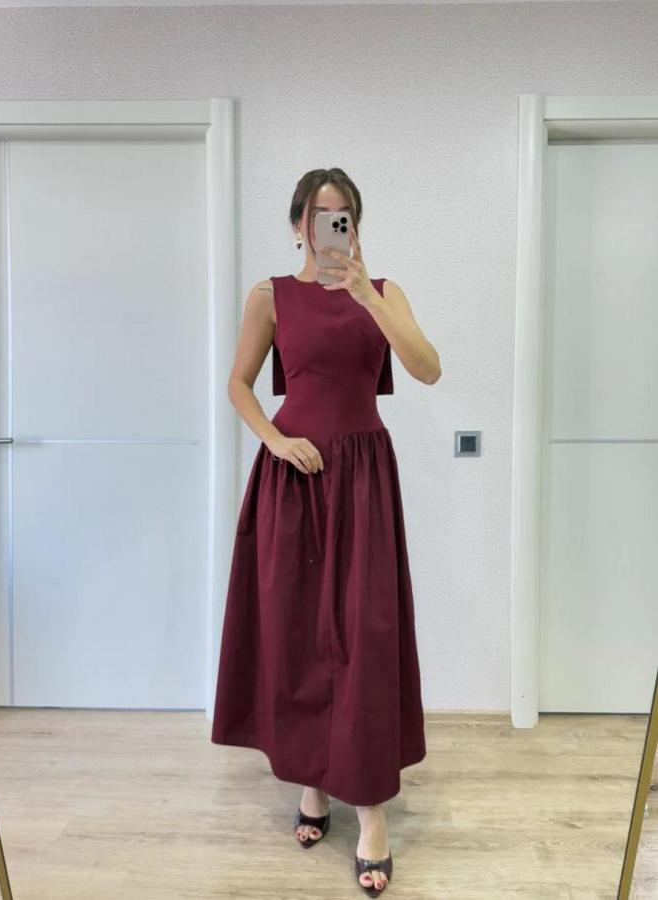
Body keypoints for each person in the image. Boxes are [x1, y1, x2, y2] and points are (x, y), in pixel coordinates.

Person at [211, 167, 442, 896]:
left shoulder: (384, 293)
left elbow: (428, 370)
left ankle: (370, 810)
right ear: (298, 225)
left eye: (345, 215)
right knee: (301, 636)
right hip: (294, 481)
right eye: (320, 214)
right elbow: (239, 384)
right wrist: (276, 442)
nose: (333, 225)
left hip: (364, 481)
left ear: (356, 225)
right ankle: (313, 781)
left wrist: (368, 296)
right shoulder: (270, 296)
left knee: (364, 638)